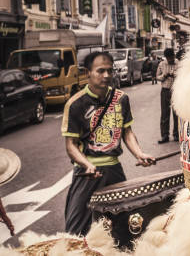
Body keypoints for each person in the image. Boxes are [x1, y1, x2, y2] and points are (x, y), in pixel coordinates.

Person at [62, 51, 155, 236]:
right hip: (88, 174)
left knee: (124, 226)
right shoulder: (75, 104)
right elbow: (71, 144)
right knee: (75, 230)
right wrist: (86, 164)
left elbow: (127, 132)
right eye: (100, 71)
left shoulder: (121, 98)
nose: (106, 76)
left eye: (110, 71)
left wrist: (139, 154)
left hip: (114, 171)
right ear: (87, 72)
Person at [157, 48, 178, 143]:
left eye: (172, 58)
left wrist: (176, 75)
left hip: (176, 91)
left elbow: (184, 75)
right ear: (166, 57)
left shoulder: (179, 63)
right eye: (169, 58)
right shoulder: (162, 64)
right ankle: (164, 136)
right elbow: (157, 77)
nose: (171, 60)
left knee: (176, 114)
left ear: (174, 56)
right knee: (165, 114)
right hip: (165, 91)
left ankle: (176, 135)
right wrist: (164, 75)